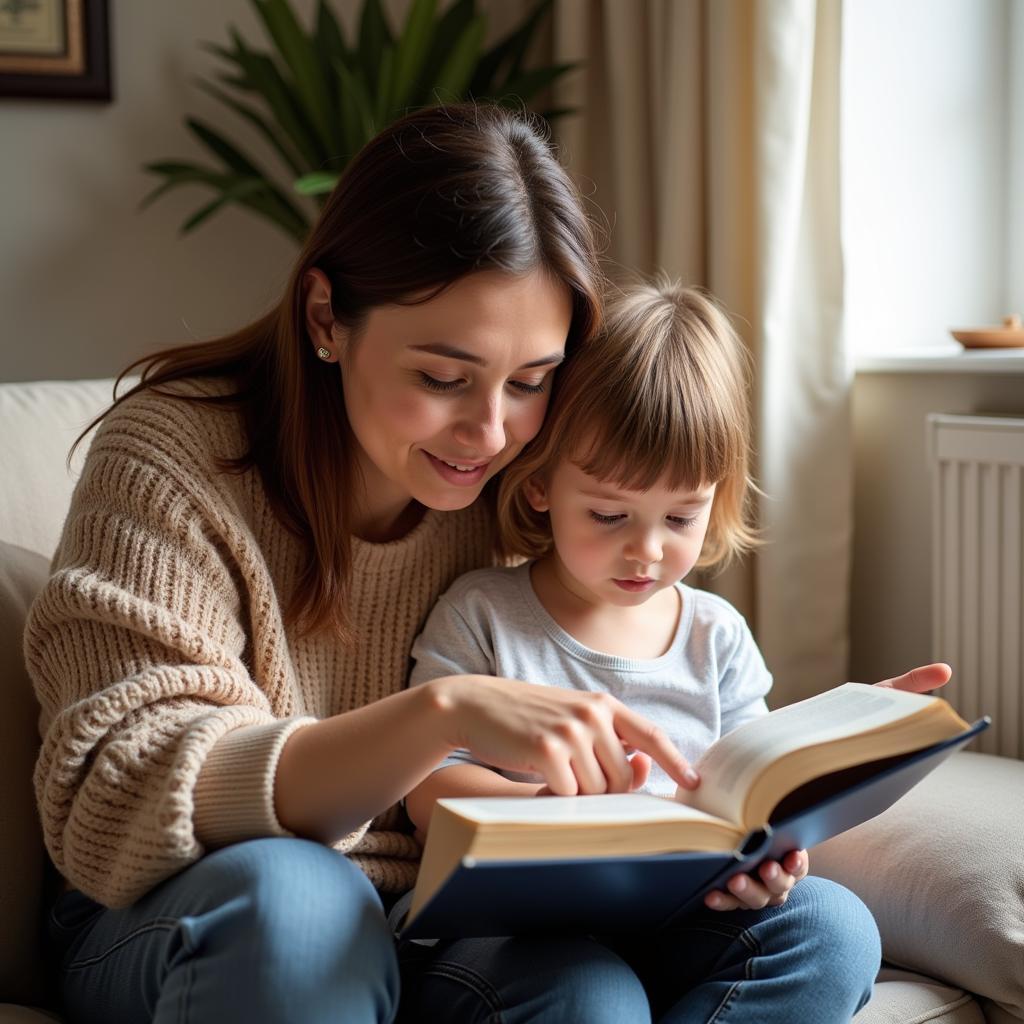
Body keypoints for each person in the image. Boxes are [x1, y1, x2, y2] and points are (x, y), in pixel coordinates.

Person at [25, 102, 948, 1024]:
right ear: (325, 317)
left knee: (760, 942)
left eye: (533, 381)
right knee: (306, 898)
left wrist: (790, 789)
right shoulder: (170, 460)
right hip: (203, 907)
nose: (491, 432)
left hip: (451, 916)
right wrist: (440, 715)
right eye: (441, 377)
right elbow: (122, 791)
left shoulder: (515, 489)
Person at [401, 278, 953, 1022]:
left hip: (675, 923)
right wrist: (550, 810)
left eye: (682, 516)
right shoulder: (484, 613)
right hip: (516, 939)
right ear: (539, 487)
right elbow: (428, 791)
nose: (647, 550)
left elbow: (748, 795)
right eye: (608, 514)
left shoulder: (714, 633)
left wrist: (773, 858)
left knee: (835, 927)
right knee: (592, 995)